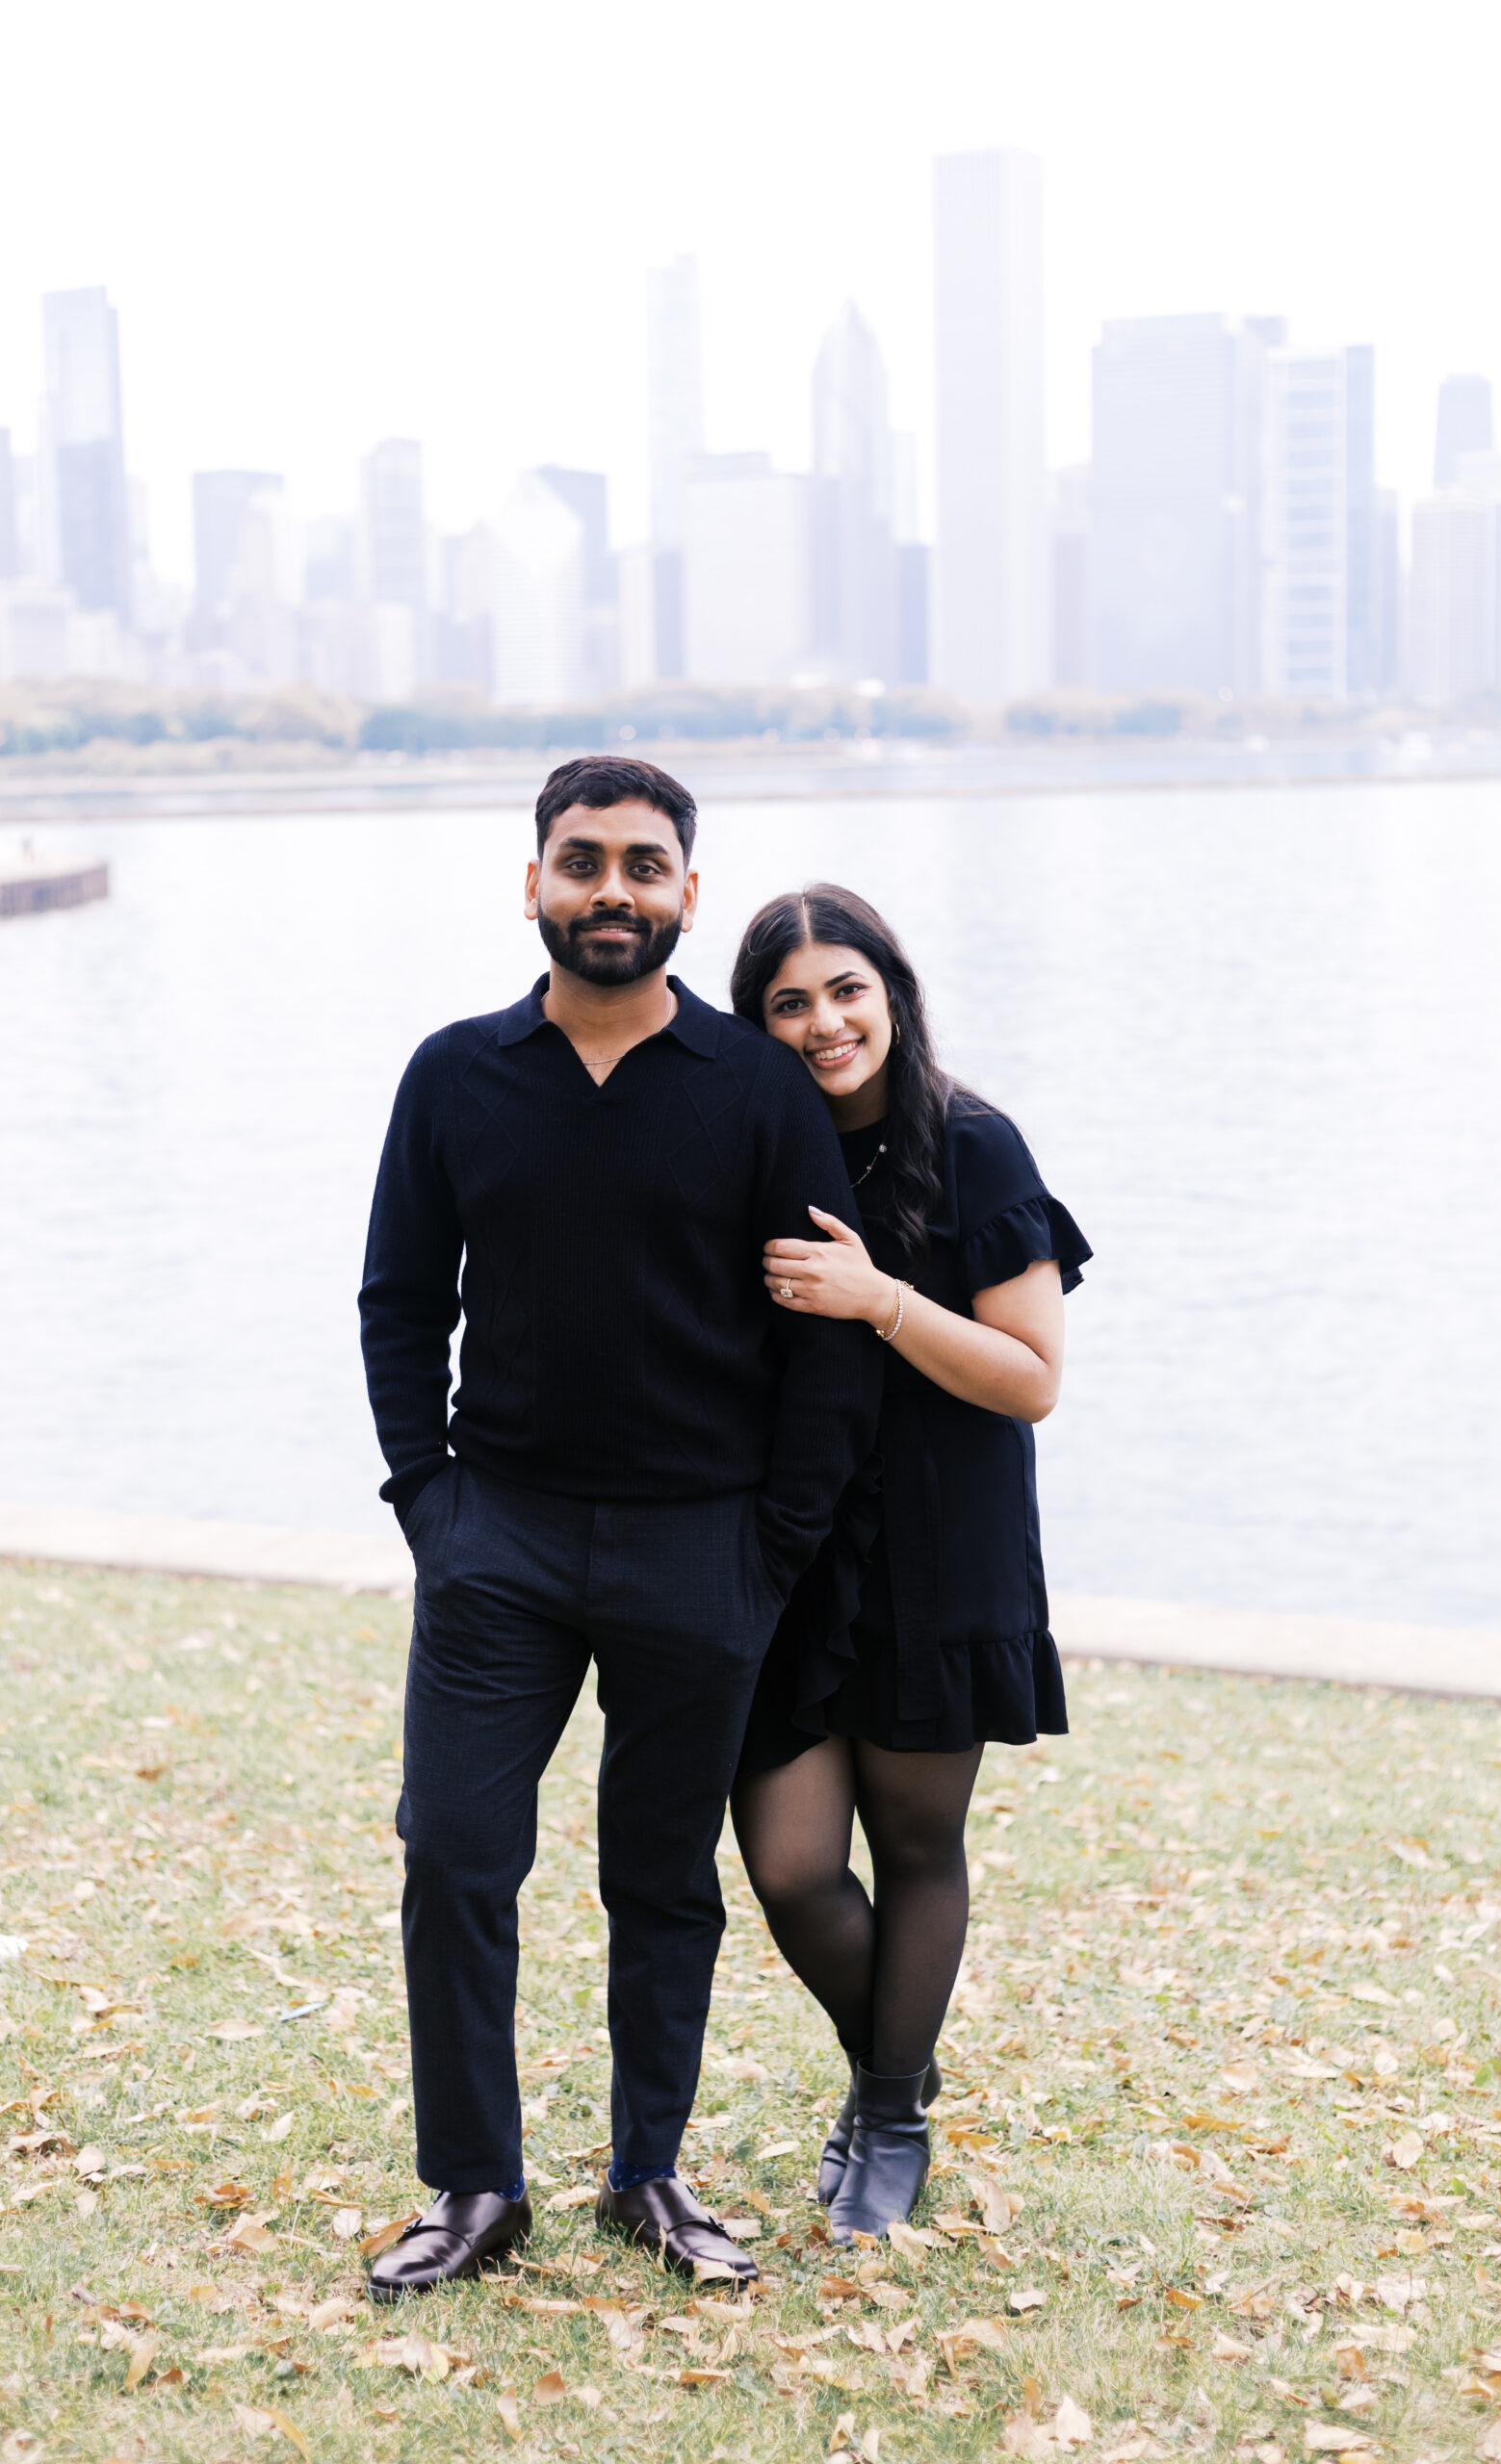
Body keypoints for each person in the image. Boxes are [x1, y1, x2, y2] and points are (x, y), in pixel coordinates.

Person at [357, 764, 880, 2298]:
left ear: (686, 898)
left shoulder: (757, 1088)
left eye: (644, 866)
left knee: (661, 1877)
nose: (612, 890)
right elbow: (401, 1302)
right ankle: (474, 2185)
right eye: (581, 862)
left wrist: (768, 1546)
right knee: (453, 1853)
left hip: (699, 1551)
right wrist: (429, 1505)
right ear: (532, 883)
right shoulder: (454, 1075)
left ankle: (648, 2172)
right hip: (496, 1545)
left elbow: (826, 1338)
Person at [729, 885, 1090, 2242]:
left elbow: (1032, 1380)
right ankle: (901, 2062)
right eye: (789, 1004)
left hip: (946, 1543)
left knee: (917, 1844)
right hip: (798, 1552)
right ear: (757, 1025)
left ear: (893, 992)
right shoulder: (761, 1147)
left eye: (845, 992)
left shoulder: (975, 1142)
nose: (824, 1025)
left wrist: (880, 1297)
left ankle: (888, 2116)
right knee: (790, 1866)